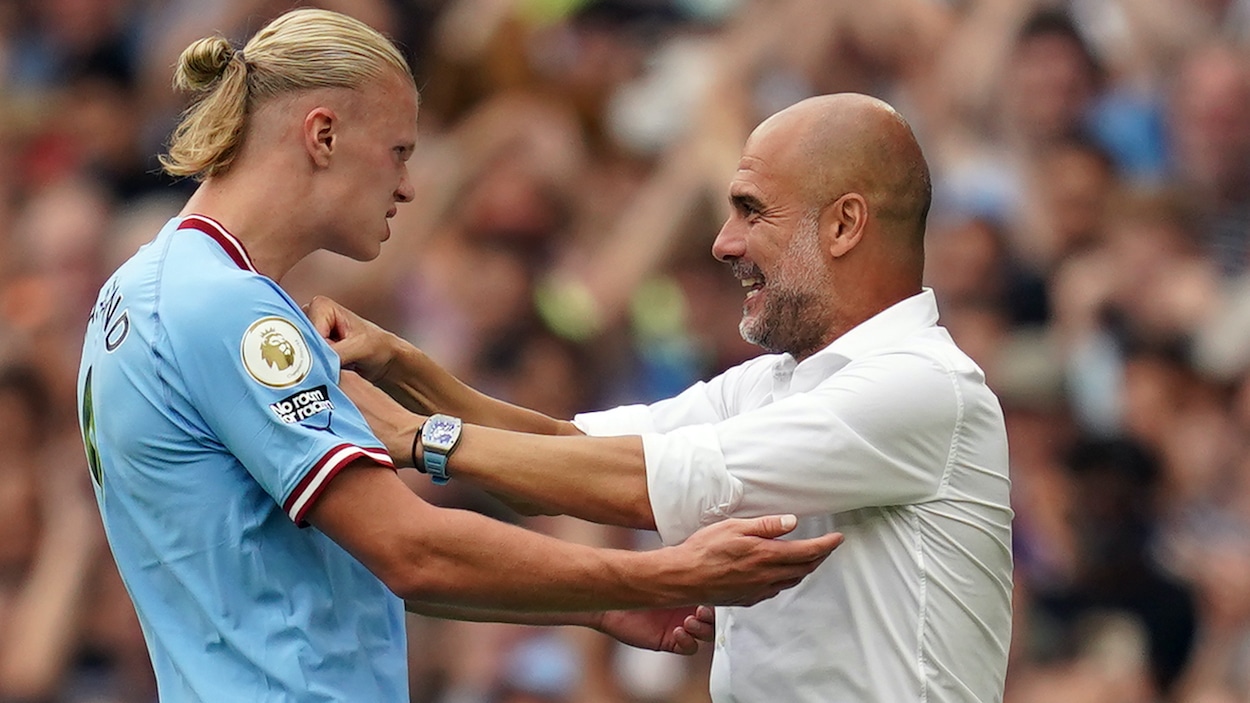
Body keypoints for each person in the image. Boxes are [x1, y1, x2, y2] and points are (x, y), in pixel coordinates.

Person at [74, 10, 845, 702]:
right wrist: (662, 571)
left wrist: (595, 603)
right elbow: (410, 548)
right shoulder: (229, 309)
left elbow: (361, 563)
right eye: (400, 151)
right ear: (323, 135)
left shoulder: (137, 289)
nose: (410, 186)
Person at [313, 93, 1014, 702]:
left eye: (750, 211)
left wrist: (420, 438)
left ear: (844, 224)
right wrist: (403, 364)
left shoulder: (921, 385)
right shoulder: (773, 382)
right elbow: (567, 451)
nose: (723, 242)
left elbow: (640, 484)